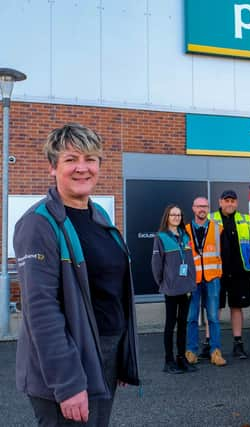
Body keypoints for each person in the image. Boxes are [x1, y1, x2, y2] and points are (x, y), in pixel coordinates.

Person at [14, 123, 140, 426]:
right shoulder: (38, 224)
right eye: (71, 159)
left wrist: (121, 357)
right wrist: (68, 385)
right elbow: (41, 311)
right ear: (52, 167)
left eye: (90, 159)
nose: (82, 168)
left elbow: (112, 290)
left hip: (105, 355)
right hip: (69, 362)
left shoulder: (99, 216)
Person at [213, 189, 250, 359]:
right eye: (227, 200)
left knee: (237, 308)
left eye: (233, 200)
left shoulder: (245, 221)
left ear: (237, 203)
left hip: (240, 273)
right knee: (214, 309)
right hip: (216, 273)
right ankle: (211, 346)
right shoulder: (212, 220)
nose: (230, 203)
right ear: (220, 202)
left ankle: (238, 345)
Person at [152, 204, 197, 374]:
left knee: (183, 324)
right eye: (173, 215)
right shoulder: (161, 237)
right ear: (167, 217)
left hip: (186, 288)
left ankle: (181, 358)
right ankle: (168, 361)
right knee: (170, 325)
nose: (176, 218)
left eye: (178, 215)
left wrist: (192, 281)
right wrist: (163, 283)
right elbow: (156, 265)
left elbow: (190, 262)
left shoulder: (185, 236)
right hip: (171, 289)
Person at [184, 197, 227, 367]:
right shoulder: (185, 230)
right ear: (193, 208)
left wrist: (221, 273)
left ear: (208, 208)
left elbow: (225, 254)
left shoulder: (218, 229)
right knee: (191, 317)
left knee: (213, 318)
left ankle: (215, 352)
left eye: (205, 206)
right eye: (199, 206)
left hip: (212, 278)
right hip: (192, 280)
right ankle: (191, 351)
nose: (202, 209)